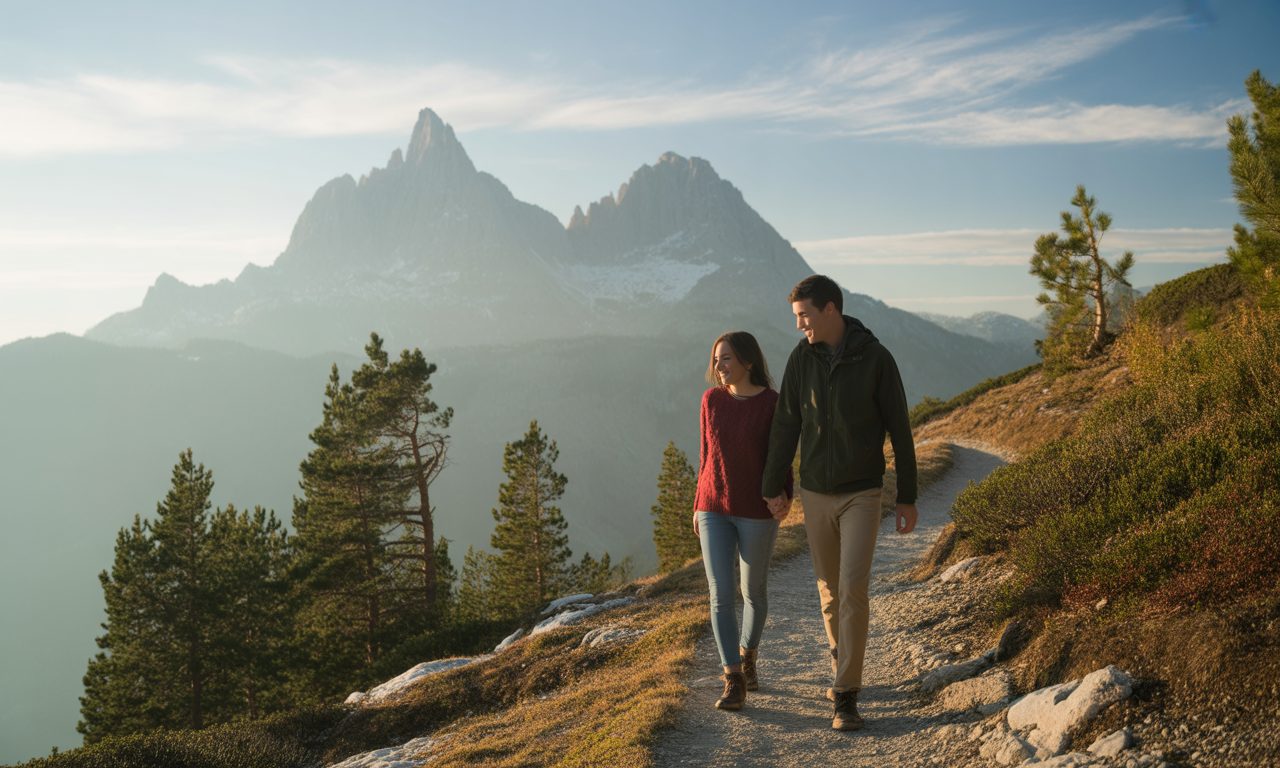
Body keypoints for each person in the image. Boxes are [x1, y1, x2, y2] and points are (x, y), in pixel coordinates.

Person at [761, 274, 918, 731]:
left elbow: (900, 428)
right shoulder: (800, 359)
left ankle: (846, 694)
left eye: (804, 315)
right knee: (828, 589)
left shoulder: (876, 359)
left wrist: (907, 496)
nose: (799, 325)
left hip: (862, 493)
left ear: (830, 309)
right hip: (815, 492)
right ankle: (841, 657)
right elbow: (786, 424)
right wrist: (774, 485)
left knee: (852, 587)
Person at [693, 331, 792, 711]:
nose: (719, 366)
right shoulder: (711, 400)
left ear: (748, 361)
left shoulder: (771, 403)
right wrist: (697, 505)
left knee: (753, 592)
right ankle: (733, 677)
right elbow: (705, 455)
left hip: (756, 511)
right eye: (716, 359)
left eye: (727, 358)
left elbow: (781, 455)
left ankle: (748, 655)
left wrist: (784, 494)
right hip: (712, 508)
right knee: (720, 594)